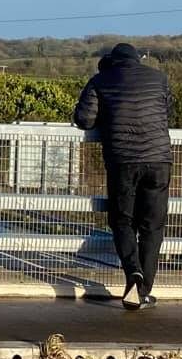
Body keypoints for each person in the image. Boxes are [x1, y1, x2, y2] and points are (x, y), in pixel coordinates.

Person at [73, 42, 173, 309]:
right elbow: (166, 114)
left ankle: (133, 272)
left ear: (111, 61)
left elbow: (84, 119)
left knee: (122, 221)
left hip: (123, 160)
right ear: (137, 60)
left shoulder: (100, 80)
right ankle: (144, 290)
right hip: (159, 159)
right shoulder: (159, 79)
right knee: (153, 226)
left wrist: (110, 116)